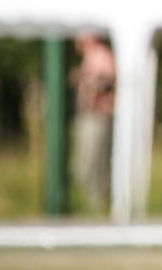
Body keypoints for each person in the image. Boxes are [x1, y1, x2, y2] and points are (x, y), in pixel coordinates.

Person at [70, 32, 116, 212]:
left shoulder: (101, 54)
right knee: (84, 163)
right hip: (89, 116)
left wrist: (90, 83)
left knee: (95, 163)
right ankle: (88, 203)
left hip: (98, 116)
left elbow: (109, 81)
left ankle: (96, 204)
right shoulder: (89, 56)